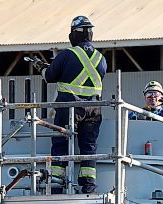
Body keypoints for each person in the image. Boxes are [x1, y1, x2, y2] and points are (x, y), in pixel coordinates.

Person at [33, 16, 107, 194]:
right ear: (90, 34)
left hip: (69, 107)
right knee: (88, 147)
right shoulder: (100, 58)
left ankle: (58, 184)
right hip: (94, 109)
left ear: (74, 34)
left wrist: (41, 67)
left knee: (61, 143)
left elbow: (50, 76)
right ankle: (88, 186)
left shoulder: (67, 54)